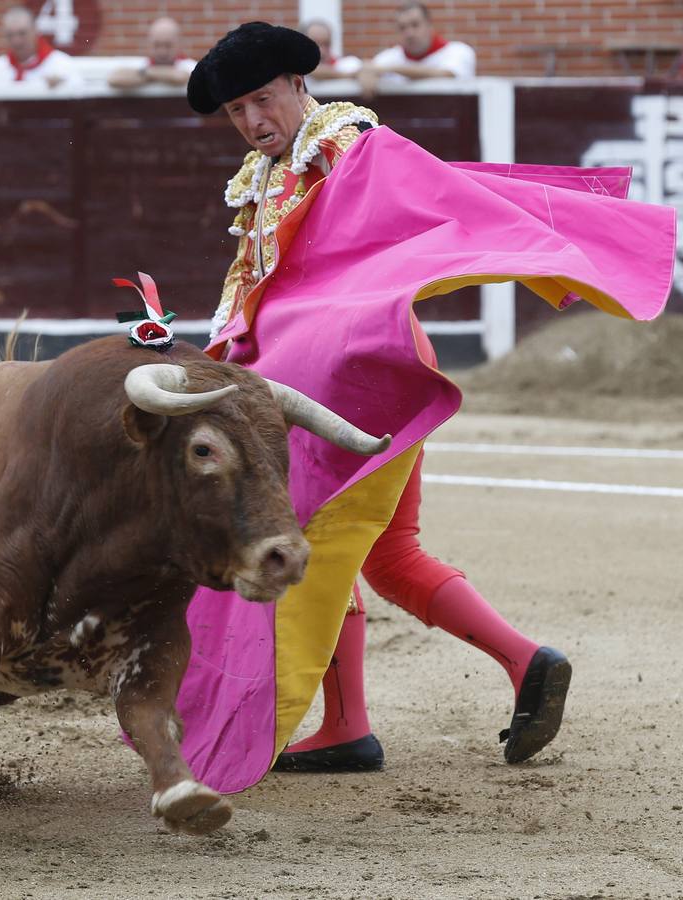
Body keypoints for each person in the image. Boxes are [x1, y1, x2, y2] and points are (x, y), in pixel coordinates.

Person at [186, 22, 572, 774]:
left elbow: (403, 220)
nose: (252, 121)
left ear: (299, 86)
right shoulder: (267, 174)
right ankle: (505, 670)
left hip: (360, 370)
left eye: (262, 100)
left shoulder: (347, 145)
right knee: (386, 552)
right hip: (331, 374)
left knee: (317, 536)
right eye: (236, 110)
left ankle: (355, 719)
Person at [358, 1, 475, 96]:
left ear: (429, 25)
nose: (409, 33)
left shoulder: (459, 51)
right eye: (402, 27)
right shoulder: (389, 57)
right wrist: (365, 71)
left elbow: (446, 74)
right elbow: (367, 69)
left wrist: (389, 69)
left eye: (415, 25)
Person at [0, 5, 82, 90]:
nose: (16, 41)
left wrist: (62, 90)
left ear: (35, 30)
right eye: (10, 35)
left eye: (22, 33)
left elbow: (79, 97)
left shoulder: (60, 66)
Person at [107, 16, 196, 90]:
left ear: (179, 44)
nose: (162, 51)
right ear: (148, 45)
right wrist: (159, 75)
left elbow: (181, 77)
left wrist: (145, 75)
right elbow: (114, 79)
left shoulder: (189, 65)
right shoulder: (142, 64)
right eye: (157, 45)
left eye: (167, 45)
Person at [301, 18, 362, 84]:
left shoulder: (346, 64)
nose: (322, 51)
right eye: (315, 44)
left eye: (326, 44)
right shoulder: (293, 70)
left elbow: (365, 69)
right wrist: (349, 75)